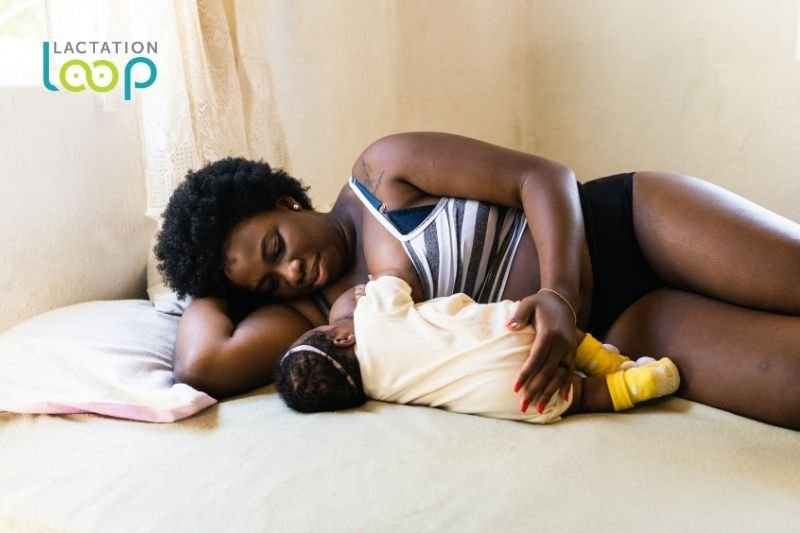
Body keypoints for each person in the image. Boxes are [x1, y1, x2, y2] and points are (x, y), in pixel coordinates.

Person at [155, 132, 800, 429]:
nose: (290, 271)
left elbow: (544, 177)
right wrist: (213, 278)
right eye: (267, 283)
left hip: (629, 225)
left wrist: (559, 297)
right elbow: (203, 363)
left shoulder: (382, 173)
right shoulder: (319, 317)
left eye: (275, 246)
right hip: (615, 328)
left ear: (284, 201)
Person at [274, 275, 680, 421]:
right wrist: (352, 300)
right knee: (566, 338)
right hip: (507, 330)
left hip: (505, 391)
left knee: (579, 398)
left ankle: (643, 384)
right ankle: (615, 363)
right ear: (343, 336)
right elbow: (394, 280)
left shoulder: (378, 390)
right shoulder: (371, 317)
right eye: (329, 325)